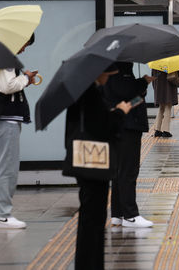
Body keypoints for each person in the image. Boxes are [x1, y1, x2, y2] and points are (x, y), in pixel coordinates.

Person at [64, 64, 132, 270]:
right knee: (93, 218)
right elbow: (103, 128)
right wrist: (120, 112)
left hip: (82, 161)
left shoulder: (81, 92)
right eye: (107, 75)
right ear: (98, 73)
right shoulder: (91, 94)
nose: (108, 79)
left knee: (89, 217)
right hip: (93, 164)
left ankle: (88, 263)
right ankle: (91, 264)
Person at [0, 34, 38, 229]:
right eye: (25, 43)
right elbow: (6, 86)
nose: (24, 48)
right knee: (6, 169)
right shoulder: (5, 57)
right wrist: (26, 78)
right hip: (5, 120)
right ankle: (3, 215)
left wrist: (24, 78)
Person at [104, 62, 155, 228]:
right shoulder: (120, 70)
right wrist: (143, 82)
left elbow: (129, 101)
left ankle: (118, 214)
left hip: (123, 124)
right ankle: (130, 215)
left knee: (120, 171)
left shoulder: (115, 69)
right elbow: (125, 92)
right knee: (128, 170)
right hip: (128, 126)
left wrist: (141, 89)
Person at [152, 69, 177, 137]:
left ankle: (157, 130)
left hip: (158, 86)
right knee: (168, 107)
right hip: (168, 86)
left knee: (161, 107)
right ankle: (166, 130)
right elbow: (175, 74)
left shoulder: (155, 63)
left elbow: (153, 75)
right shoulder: (169, 60)